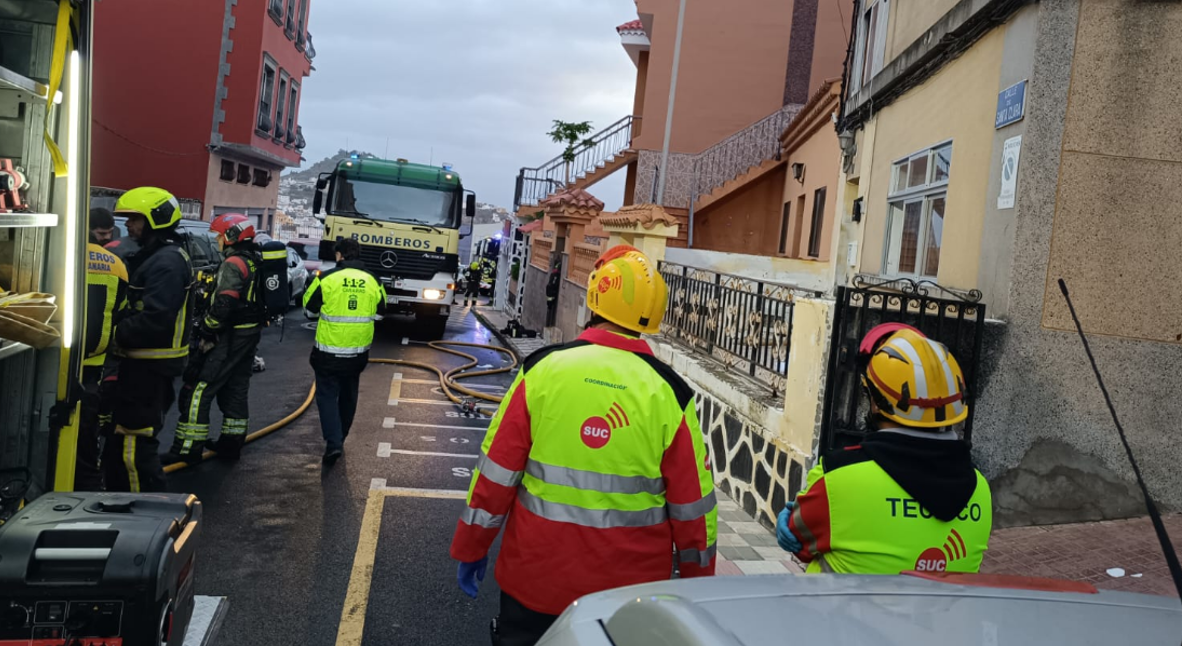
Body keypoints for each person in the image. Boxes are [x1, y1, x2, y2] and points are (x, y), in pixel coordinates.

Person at [450, 244, 717, 646]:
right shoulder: (669, 394)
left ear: (595, 296)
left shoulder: (543, 370)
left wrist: (471, 545)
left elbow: (496, 473)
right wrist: (699, 586)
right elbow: (694, 509)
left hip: (535, 584)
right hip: (628, 600)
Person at [776, 324, 992, 574]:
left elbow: (801, 546)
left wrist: (792, 520)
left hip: (839, 612)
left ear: (877, 404)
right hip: (941, 613)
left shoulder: (837, 477)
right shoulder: (980, 489)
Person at [101, 187, 193, 493]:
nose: (128, 225)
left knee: (133, 446)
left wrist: (111, 335)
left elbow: (155, 319)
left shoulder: (166, 263)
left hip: (147, 369)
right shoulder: (157, 256)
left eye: (135, 219)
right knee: (123, 443)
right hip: (144, 366)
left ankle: (142, 514)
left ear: (156, 220)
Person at [163, 214, 264, 465]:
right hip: (249, 334)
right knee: (236, 388)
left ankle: (187, 448)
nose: (217, 240)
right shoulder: (254, 260)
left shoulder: (232, 264)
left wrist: (208, 330)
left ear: (231, 236)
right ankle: (231, 444)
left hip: (230, 335)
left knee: (200, 388)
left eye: (220, 235)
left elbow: (224, 302)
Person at [302, 238, 385, 465]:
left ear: (339, 255)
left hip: (327, 352)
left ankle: (334, 442)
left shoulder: (327, 278)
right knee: (349, 395)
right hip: (357, 354)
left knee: (327, 396)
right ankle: (342, 436)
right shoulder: (373, 281)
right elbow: (380, 313)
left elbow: (308, 307)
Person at [74, 216, 129, 490]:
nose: (107, 239)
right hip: (96, 360)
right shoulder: (117, 264)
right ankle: (88, 484)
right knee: (86, 428)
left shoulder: (65, 254)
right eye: (102, 233)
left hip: (58, 356)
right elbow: (121, 310)